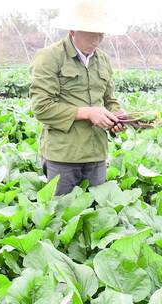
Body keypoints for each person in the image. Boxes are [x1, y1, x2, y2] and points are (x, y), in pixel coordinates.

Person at [29, 0, 126, 195]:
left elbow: (109, 99)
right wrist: (88, 113)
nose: (97, 39)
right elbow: (42, 107)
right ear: (73, 30)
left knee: (97, 218)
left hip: (96, 155)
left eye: (101, 33)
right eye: (91, 33)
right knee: (61, 217)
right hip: (64, 157)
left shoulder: (103, 59)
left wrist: (117, 116)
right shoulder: (50, 57)